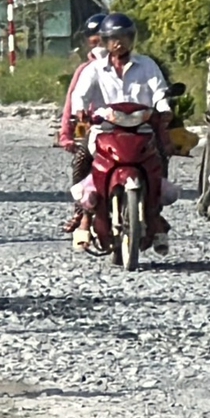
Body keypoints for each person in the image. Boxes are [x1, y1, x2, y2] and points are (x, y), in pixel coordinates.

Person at [66, 13, 175, 256]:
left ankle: (155, 216)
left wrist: (164, 109)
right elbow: (79, 95)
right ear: (104, 41)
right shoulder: (95, 69)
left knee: (161, 159)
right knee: (83, 158)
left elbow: (159, 91)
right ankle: (83, 214)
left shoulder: (147, 65)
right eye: (114, 38)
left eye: (124, 37)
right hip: (105, 130)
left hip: (143, 129)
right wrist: (81, 113)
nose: (119, 43)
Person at [58, 12, 110, 247]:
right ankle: (82, 213)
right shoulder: (87, 69)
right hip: (93, 125)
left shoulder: (140, 65)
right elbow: (73, 103)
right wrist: (68, 135)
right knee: (82, 162)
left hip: (133, 124)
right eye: (92, 36)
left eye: (101, 35)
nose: (96, 40)